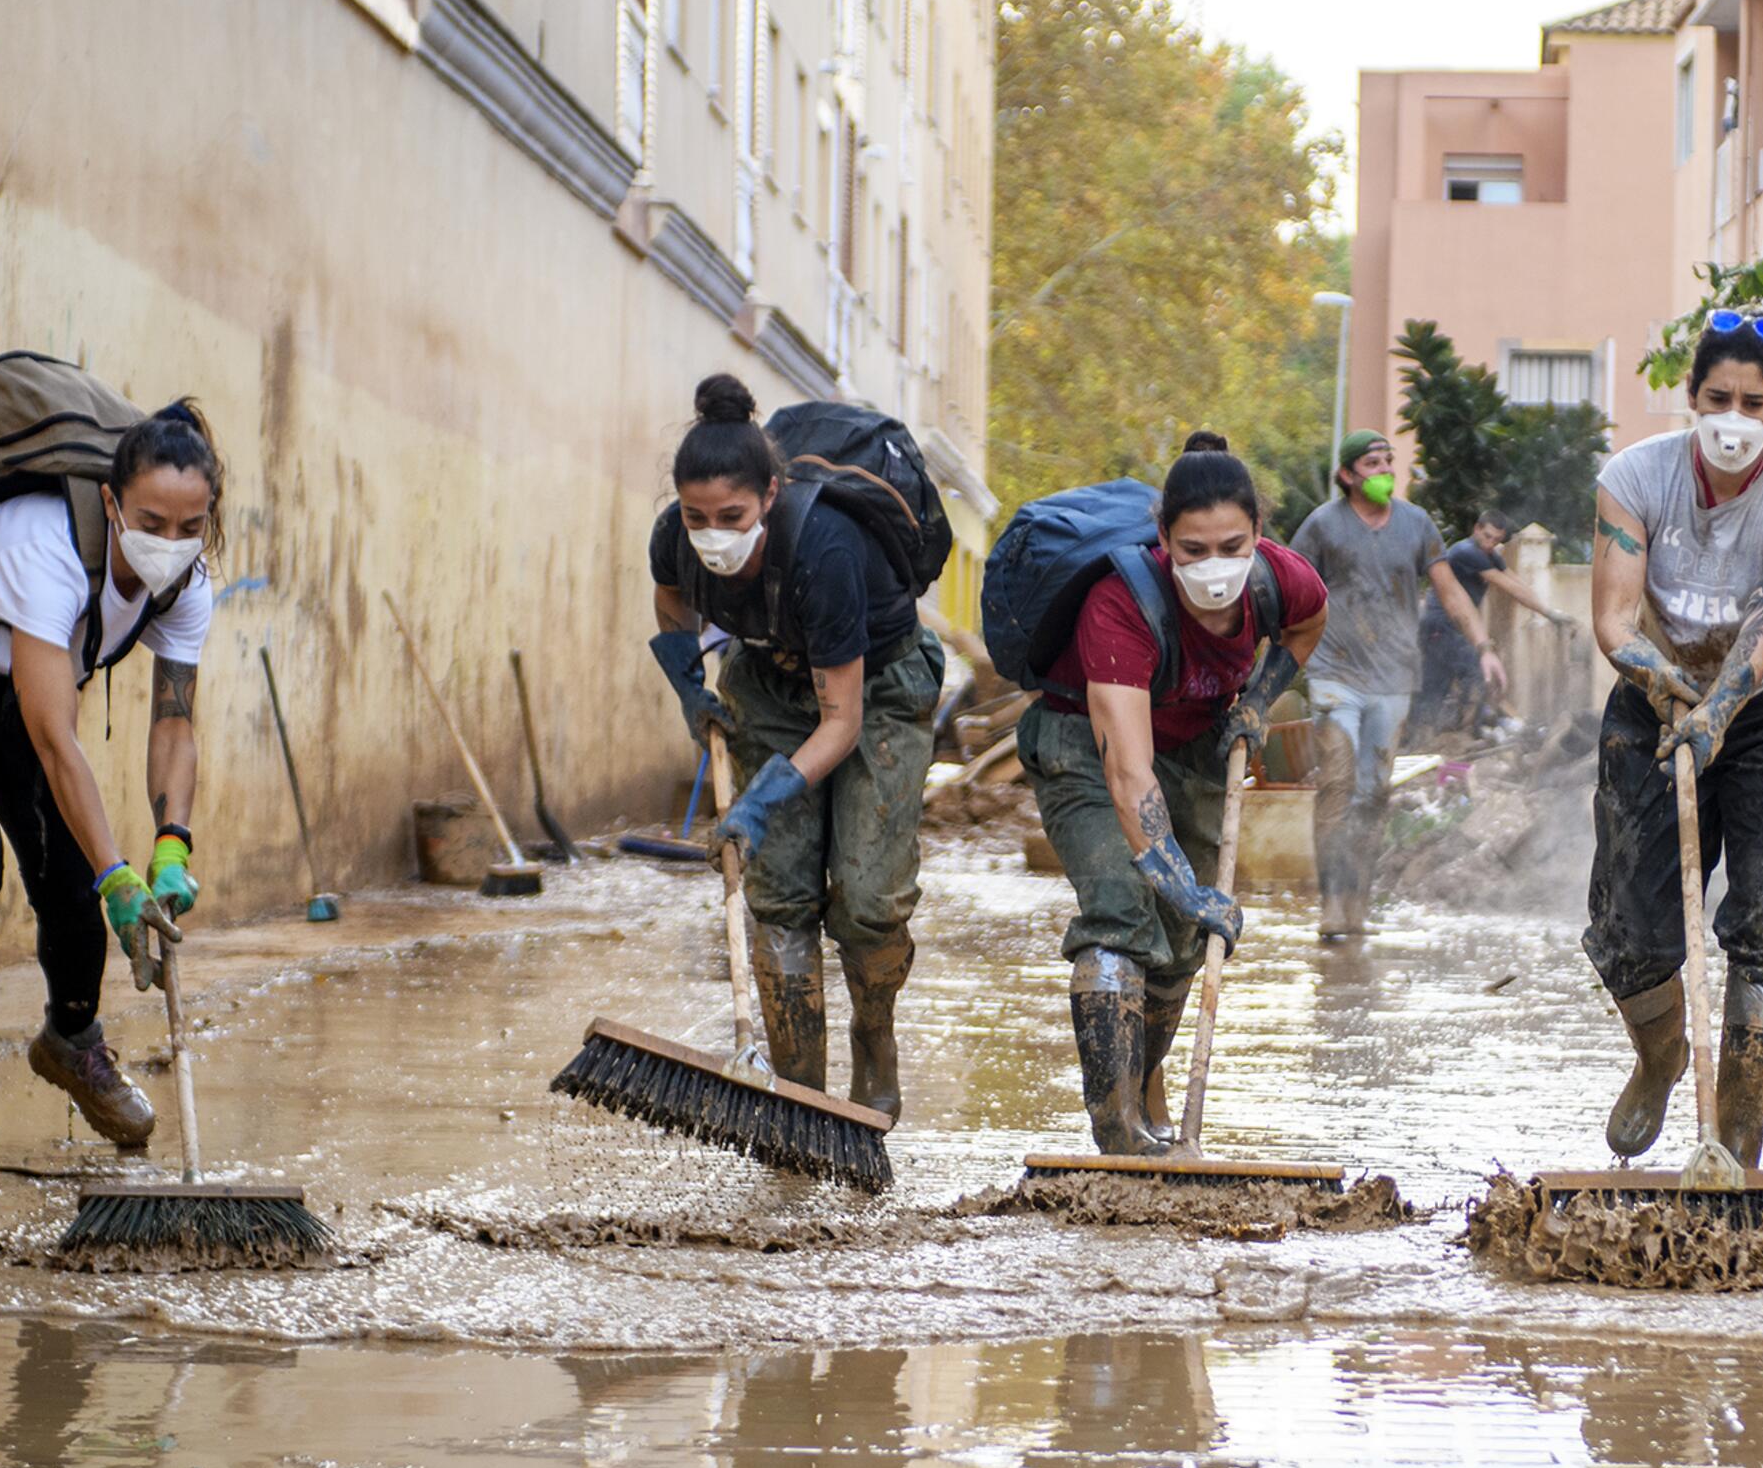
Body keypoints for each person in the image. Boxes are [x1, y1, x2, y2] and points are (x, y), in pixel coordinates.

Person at [0, 404, 220, 1190]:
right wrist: (117, 874)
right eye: (152, 520)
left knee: (65, 863)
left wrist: (170, 846)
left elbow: (175, 721)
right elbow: (55, 739)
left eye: (191, 525)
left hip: (2, 673)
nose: (171, 541)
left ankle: (71, 1040)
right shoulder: (45, 548)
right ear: (111, 502)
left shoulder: (188, 585)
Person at [1586, 312, 1763, 1167]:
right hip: (1652, 698)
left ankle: (1736, 1140)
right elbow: (1615, 622)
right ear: (1691, 397)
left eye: (1754, 402)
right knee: (1631, 925)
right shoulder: (1635, 476)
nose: (1732, 417)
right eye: (1716, 397)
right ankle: (1662, 1059)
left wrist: (1717, 712)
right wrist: (1666, 687)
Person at [646, 375, 944, 1124]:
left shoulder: (825, 551)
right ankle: (803, 1103)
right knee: (778, 900)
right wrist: (689, 683)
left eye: (732, 516)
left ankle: (874, 1035)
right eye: (696, 516)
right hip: (770, 682)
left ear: (770, 497)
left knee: (871, 899)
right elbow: (672, 599)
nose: (712, 533)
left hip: (873, 689)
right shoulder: (674, 539)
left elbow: (840, 724)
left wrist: (761, 802)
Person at [1018, 434, 1327, 1154]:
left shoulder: (1282, 580)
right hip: (1085, 750)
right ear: (1163, 540)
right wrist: (1183, 885)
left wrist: (1259, 698)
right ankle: (1118, 1131)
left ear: (1259, 534)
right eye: (1193, 550)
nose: (1214, 567)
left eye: (1232, 544)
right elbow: (1129, 775)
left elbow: (1307, 627)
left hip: (1193, 744)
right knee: (1125, 916)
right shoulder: (1119, 603)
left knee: (1185, 944)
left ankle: (1148, 1090)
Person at [1290, 430, 1507, 940]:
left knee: (1373, 793)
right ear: (1347, 475)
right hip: (1334, 673)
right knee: (1338, 783)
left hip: (1392, 678)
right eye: (1373, 462)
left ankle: (1358, 906)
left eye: (1390, 461)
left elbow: (1451, 593)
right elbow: (1290, 586)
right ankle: (1330, 903)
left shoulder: (1416, 525)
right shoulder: (1323, 525)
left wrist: (1484, 647)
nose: (1386, 470)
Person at [1413, 508, 1576, 736]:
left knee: (1434, 683)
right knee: (1477, 671)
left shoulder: (1489, 555)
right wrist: (1549, 614)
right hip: (1441, 623)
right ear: (1476, 529)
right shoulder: (1466, 551)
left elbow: (1515, 581)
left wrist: (1549, 610)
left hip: (1448, 626)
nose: (1490, 543)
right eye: (1487, 536)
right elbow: (1508, 587)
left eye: (1496, 540)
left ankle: (1422, 737)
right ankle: (1470, 732)